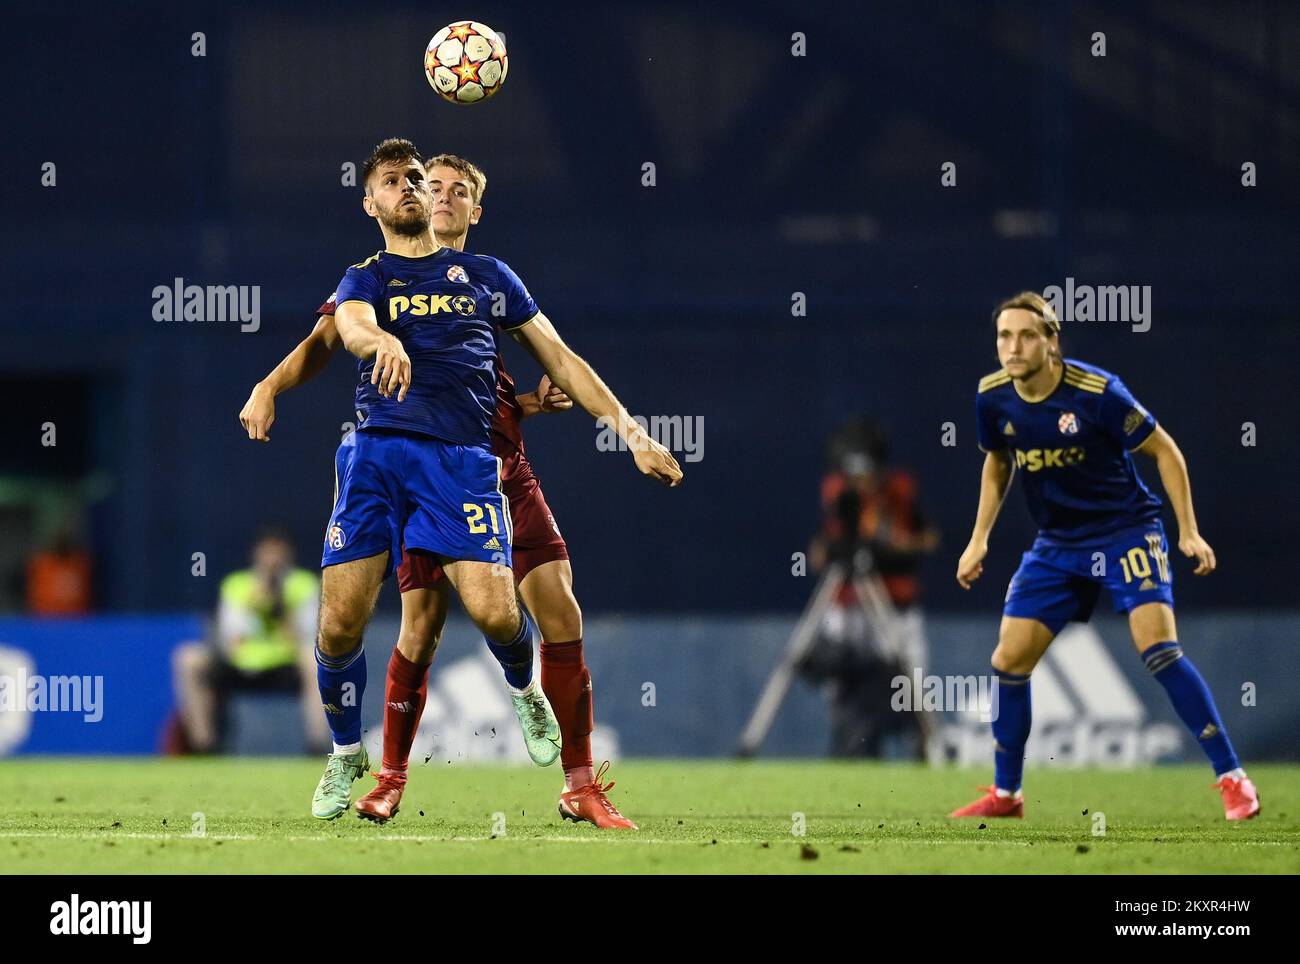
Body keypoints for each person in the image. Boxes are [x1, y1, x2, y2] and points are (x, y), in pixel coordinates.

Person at [246, 139, 681, 821]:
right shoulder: (365, 278)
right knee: (337, 626)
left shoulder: (486, 275)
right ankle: (346, 755)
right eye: (395, 181)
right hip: (375, 458)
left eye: (420, 179)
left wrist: (631, 432)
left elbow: (560, 359)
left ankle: (522, 687)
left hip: (461, 462)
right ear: (372, 202)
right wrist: (319, 365)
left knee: (499, 614)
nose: (414, 188)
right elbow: (342, 333)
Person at [951, 291, 1259, 820]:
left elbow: (1165, 450)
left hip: (1126, 532)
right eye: (1004, 335)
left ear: (1052, 342)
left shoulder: (1097, 392)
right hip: (1058, 544)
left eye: (1027, 335)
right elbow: (999, 463)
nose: (1013, 347)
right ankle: (1007, 796)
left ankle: (1234, 778)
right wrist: (978, 538)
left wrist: (1187, 531)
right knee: (1008, 660)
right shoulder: (992, 397)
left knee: (1158, 647)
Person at [803, 419, 939, 757]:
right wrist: (834, 548)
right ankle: (850, 741)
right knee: (840, 680)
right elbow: (824, 546)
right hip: (847, 601)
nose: (861, 480)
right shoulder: (837, 490)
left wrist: (889, 543)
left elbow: (927, 538)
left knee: (911, 679)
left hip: (894, 604)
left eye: (866, 471)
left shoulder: (900, 489)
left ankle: (927, 747)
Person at [172, 529, 325, 753]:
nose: (272, 561)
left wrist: (281, 609)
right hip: (239, 663)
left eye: (278, 554)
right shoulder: (237, 585)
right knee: (188, 658)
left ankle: (317, 746)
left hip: (284, 664)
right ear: (257, 555)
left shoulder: (303, 585)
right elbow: (232, 640)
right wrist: (255, 606)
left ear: (288, 556)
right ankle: (204, 747)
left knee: (315, 662)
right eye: (267, 554)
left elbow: (308, 638)